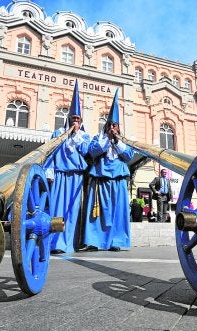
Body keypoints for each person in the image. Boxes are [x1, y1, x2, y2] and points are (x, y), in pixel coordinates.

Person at [79, 89, 134, 252]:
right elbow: (92, 151)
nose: (111, 127)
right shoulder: (98, 138)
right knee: (97, 211)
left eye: (114, 125)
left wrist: (116, 141)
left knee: (118, 211)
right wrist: (107, 140)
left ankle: (115, 241)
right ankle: (94, 241)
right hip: (101, 178)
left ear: (118, 127)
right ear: (105, 126)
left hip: (118, 179)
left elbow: (128, 156)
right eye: (109, 125)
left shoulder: (123, 140)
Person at [45, 80, 91, 254]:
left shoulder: (85, 136)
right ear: (68, 118)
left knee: (73, 211)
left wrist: (77, 134)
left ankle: (70, 244)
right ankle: (55, 243)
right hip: (59, 175)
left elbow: (86, 151)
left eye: (78, 119)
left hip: (76, 177)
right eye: (73, 118)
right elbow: (49, 153)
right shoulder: (58, 134)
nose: (75, 121)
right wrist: (49, 173)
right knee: (57, 209)